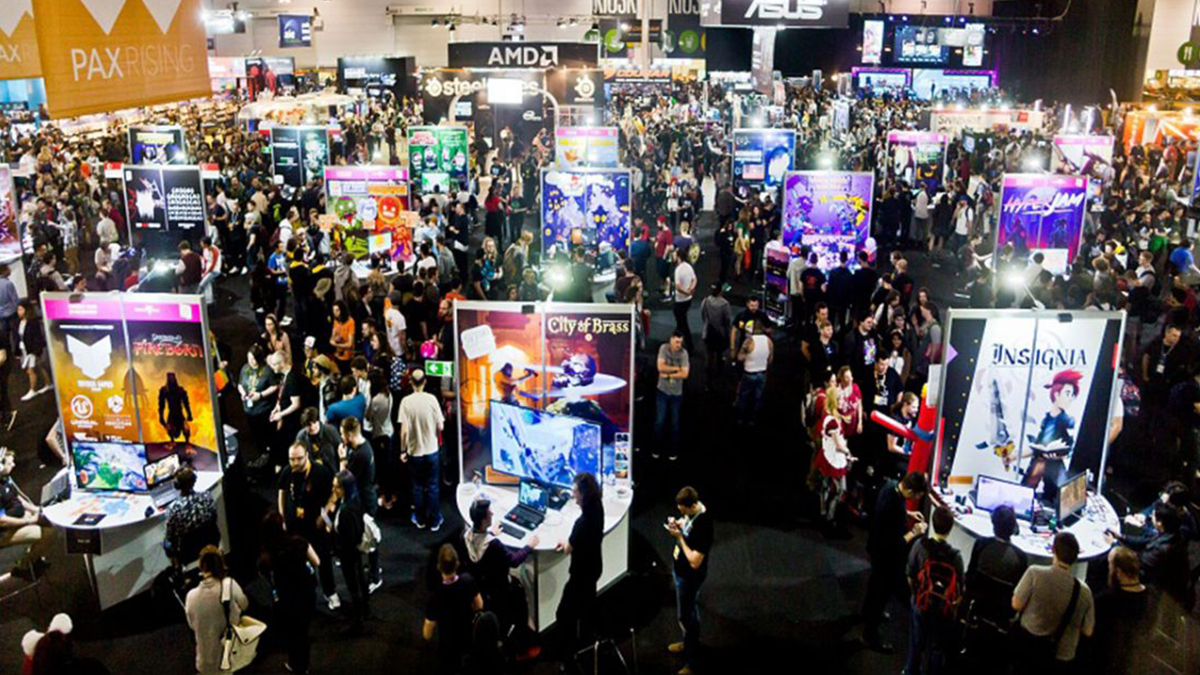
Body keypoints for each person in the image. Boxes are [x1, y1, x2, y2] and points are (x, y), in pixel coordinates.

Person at [862, 471, 929, 652]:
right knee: (880, 592)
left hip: (875, 547)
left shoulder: (890, 485)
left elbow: (893, 511)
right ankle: (870, 635)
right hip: (885, 555)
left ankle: (866, 613)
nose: (914, 498)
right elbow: (895, 543)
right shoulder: (892, 506)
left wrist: (907, 513)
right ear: (909, 489)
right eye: (914, 495)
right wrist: (914, 532)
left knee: (874, 584)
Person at [1011, 532, 1095, 668]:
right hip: (1061, 656)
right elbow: (1088, 630)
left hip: (1027, 646)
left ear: (1053, 550)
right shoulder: (1085, 592)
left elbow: (1016, 604)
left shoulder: (1035, 573)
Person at [278, 441, 339, 610]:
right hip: (295, 527)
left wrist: (324, 515)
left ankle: (330, 592)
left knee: (323, 560)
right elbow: (281, 492)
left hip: (315, 526)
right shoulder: (288, 471)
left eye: (299, 459)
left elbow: (333, 496)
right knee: (296, 561)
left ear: (307, 456)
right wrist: (282, 517)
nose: (295, 463)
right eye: (292, 459)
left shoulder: (321, 473)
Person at [463, 498, 537, 633]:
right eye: (489, 513)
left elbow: (480, 541)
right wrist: (529, 546)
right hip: (501, 587)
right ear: (484, 520)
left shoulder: (467, 536)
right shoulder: (493, 545)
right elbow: (514, 561)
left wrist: (490, 533)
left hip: (484, 584)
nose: (492, 514)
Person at [259, 512, 320, 675]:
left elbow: (266, 575)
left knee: (291, 633)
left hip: (286, 596)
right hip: (306, 592)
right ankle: (303, 666)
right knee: (303, 631)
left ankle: (294, 663)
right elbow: (317, 561)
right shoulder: (300, 543)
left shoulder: (268, 553)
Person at [904, 506, 963, 675]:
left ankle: (910, 670)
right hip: (943, 608)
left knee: (916, 642)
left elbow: (910, 574)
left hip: (921, 602)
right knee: (937, 647)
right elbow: (960, 587)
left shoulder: (920, 546)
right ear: (950, 528)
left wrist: (916, 595)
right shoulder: (955, 556)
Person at [556, 473, 604, 667]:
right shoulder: (598, 508)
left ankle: (568, 657)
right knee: (587, 608)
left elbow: (568, 548)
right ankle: (587, 641)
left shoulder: (581, 524)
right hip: (594, 567)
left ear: (584, 494)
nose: (573, 495)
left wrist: (563, 542)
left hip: (580, 574)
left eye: (575, 492)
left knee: (564, 614)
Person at [667, 486, 713, 675]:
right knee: (687, 613)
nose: (681, 513)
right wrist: (678, 525)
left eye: (683, 510)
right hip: (680, 571)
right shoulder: (692, 515)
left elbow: (695, 561)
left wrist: (680, 539)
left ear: (693, 505)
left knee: (687, 617)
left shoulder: (704, 525)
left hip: (690, 577)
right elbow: (686, 523)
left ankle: (691, 661)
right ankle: (688, 642)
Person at [1091, 546, 1157, 675]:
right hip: (1136, 658)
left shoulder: (1106, 600)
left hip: (1106, 660)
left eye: (1110, 565)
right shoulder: (1152, 595)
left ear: (1119, 572)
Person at [184, 546, 248, 675]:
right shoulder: (230, 585)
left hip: (204, 663)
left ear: (201, 567)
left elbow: (192, 626)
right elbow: (245, 605)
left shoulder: (190, 596)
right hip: (230, 658)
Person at [424, 544, 484, 675]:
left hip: (448, 642)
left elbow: (427, 634)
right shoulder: (468, 580)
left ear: (439, 567)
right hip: (468, 634)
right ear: (457, 564)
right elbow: (479, 605)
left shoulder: (435, 596)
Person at [398, 368, 445, 530]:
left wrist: (403, 450)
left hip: (414, 452)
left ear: (411, 382)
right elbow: (440, 425)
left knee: (417, 486)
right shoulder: (432, 399)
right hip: (432, 450)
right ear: (425, 382)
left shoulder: (405, 402)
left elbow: (404, 431)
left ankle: (420, 518)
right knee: (433, 486)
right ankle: (434, 520)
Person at [338, 417, 381, 591]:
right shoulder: (365, 447)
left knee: (369, 538)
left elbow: (343, 480)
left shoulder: (360, 456)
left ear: (348, 435)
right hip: (367, 497)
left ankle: (374, 576)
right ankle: (372, 567)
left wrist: (342, 459)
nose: (341, 437)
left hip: (365, 502)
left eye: (342, 434)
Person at [325, 469, 370, 631]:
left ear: (345, 488)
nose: (333, 490)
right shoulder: (354, 501)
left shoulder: (346, 511)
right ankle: (364, 609)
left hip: (347, 554)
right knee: (360, 580)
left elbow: (347, 538)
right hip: (354, 552)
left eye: (337, 487)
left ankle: (358, 621)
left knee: (353, 585)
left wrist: (332, 533)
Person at [0, 447, 53, 579]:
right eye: (9, 463)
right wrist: (29, 521)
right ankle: (23, 567)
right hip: (4, 531)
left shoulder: (5, 478)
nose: (14, 464)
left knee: (50, 521)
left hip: (18, 519)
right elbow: (2, 520)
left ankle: (34, 556)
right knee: (50, 534)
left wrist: (38, 511)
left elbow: (18, 499)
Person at [163, 467, 219, 566]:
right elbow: (214, 518)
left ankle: (177, 570)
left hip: (188, 552)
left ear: (177, 485)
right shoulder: (207, 496)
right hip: (210, 541)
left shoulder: (173, 508)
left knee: (166, 543)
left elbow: (169, 536)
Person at [656, 330, 689, 461]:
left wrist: (668, 374)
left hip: (676, 393)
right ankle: (656, 448)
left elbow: (685, 374)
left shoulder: (684, 353)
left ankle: (673, 450)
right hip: (662, 391)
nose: (678, 345)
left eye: (680, 342)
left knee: (675, 423)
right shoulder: (664, 348)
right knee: (659, 421)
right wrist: (678, 369)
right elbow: (660, 367)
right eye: (676, 342)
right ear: (671, 340)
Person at [734, 320, 772, 427]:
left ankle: (740, 419)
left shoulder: (749, 341)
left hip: (749, 373)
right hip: (762, 373)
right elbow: (770, 359)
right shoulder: (768, 341)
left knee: (743, 396)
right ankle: (753, 420)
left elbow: (740, 357)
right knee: (758, 398)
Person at [15, 300, 51, 401]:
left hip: (32, 350)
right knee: (39, 367)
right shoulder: (19, 322)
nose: (18, 311)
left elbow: (37, 338)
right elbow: (18, 337)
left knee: (30, 370)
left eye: (20, 309)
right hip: (24, 349)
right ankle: (48, 383)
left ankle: (32, 390)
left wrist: (36, 352)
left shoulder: (33, 322)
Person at [699, 284, 733, 387]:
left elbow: (703, 315)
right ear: (720, 292)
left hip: (708, 333)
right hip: (720, 333)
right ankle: (719, 371)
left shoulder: (706, 301)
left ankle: (708, 381)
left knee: (709, 356)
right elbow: (727, 320)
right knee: (719, 353)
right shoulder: (725, 304)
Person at [673, 248, 697, 353]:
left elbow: (678, 287)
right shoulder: (689, 266)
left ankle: (689, 345)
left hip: (680, 300)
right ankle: (676, 338)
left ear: (678, 257)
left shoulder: (678, 270)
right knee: (681, 321)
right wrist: (691, 289)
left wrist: (686, 292)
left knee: (682, 323)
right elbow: (694, 279)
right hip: (688, 300)